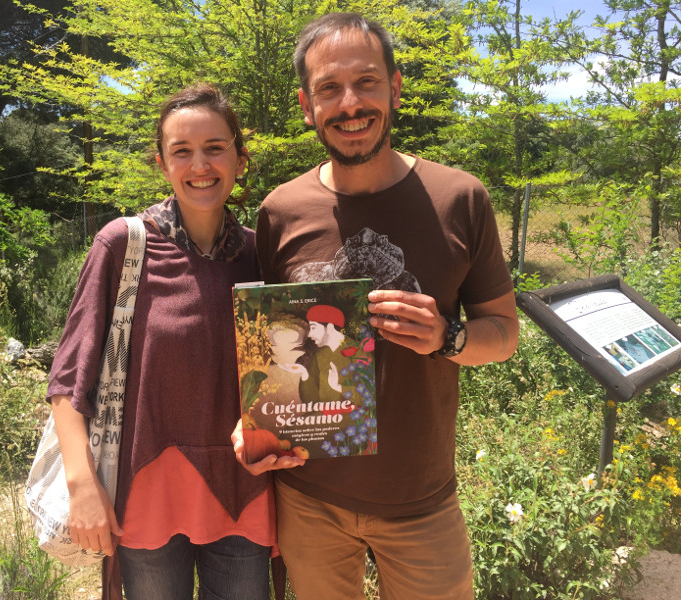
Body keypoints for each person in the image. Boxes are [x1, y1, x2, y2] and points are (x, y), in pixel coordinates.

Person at [232, 12, 519, 600]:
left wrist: (448, 337)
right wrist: (252, 423)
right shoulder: (280, 211)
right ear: (307, 106)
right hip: (308, 497)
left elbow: (505, 333)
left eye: (366, 81)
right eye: (328, 89)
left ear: (395, 85)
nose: (350, 103)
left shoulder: (460, 198)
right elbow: (262, 347)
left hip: (422, 500)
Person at [47, 84, 275, 600]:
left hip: (243, 488)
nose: (201, 164)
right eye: (182, 151)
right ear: (162, 163)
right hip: (146, 491)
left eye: (215, 147)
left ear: (240, 157)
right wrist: (83, 485)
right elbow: (68, 380)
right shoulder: (123, 246)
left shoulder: (261, 257)